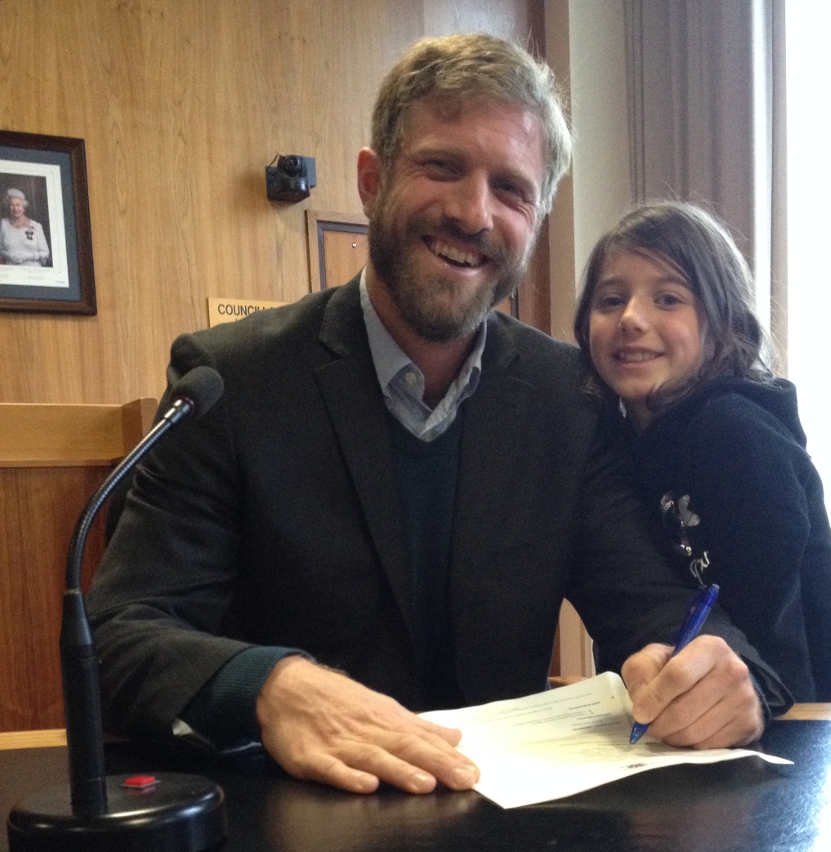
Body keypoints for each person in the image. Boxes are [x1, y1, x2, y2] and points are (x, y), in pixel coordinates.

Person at [89, 35, 792, 798]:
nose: (472, 212)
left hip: (507, 842)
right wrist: (269, 685)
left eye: (512, 189)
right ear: (371, 180)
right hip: (292, 843)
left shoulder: (569, 399)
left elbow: (656, 608)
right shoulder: (233, 381)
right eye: (442, 167)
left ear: (538, 217)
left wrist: (724, 676)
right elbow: (116, 640)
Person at [574, 201, 831, 702]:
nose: (632, 319)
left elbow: (780, 625)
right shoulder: (613, 445)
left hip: (781, 718)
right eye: (611, 300)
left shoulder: (735, 433)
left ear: (722, 321)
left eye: (668, 299)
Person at [0, 187, 50, 266]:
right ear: (8, 207)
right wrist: (9, 256)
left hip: (34, 271)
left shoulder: (36, 226)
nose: (15, 208)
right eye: (12, 205)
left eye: (18, 205)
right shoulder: (3, 224)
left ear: (23, 207)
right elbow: (0, 249)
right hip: (11, 271)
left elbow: (45, 253)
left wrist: (26, 256)